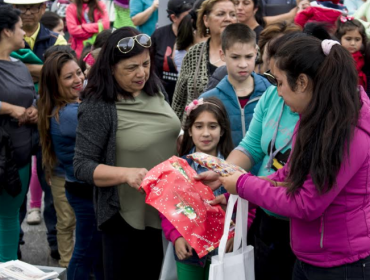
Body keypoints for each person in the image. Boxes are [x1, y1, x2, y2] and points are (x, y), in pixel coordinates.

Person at [219, 36, 370, 280]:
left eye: (279, 83)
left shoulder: (346, 131)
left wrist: (242, 184)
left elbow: (305, 203)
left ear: (301, 82)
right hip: (312, 256)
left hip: (340, 264)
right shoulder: (318, 114)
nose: (277, 93)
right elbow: (290, 173)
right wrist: (235, 188)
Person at [73, 27, 181, 280]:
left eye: (145, 64)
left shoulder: (155, 89)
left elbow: (165, 133)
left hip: (167, 209)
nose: (141, 73)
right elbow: (81, 166)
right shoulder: (99, 107)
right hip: (126, 216)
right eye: (131, 68)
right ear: (111, 68)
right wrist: (125, 175)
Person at [38, 51, 102, 278]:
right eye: (68, 77)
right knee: (84, 252)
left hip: (82, 188)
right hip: (84, 191)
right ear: (54, 85)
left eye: (78, 72)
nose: (78, 79)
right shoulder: (69, 113)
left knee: (91, 250)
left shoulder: (71, 105)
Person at [161, 97, 234, 280]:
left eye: (213, 126)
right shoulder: (179, 167)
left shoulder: (233, 167)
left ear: (222, 130)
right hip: (189, 250)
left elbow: (246, 205)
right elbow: (168, 208)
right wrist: (176, 236)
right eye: (199, 126)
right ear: (190, 131)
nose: (206, 133)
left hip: (224, 249)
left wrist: (237, 233)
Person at [0, 5, 38, 262]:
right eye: (19, 27)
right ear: (6, 30)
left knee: (10, 216)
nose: (24, 31)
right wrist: (10, 109)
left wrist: (33, 109)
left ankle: (7, 267)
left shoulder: (20, 63)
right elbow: (14, 104)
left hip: (19, 155)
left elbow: (29, 96)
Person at [200, 23, 271, 149]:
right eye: (235, 57)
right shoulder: (208, 100)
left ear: (256, 52)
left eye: (248, 57)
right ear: (222, 55)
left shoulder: (272, 93)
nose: (243, 64)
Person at [172, 0, 237, 122]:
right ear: (206, 20)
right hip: (194, 130)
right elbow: (179, 101)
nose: (228, 19)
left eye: (232, 14)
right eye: (221, 14)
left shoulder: (250, 52)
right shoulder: (194, 53)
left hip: (234, 132)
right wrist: (178, 133)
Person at [151, 0, 194, 104]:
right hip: (162, 98)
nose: (192, 20)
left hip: (188, 99)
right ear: (173, 18)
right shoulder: (159, 35)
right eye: (188, 16)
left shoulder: (197, 36)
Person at [335, 16, 368, 90]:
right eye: (348, 39)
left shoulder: (363, 55)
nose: (353, 43)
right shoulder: (337, 56)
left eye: (357, 39)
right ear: (340, 38)